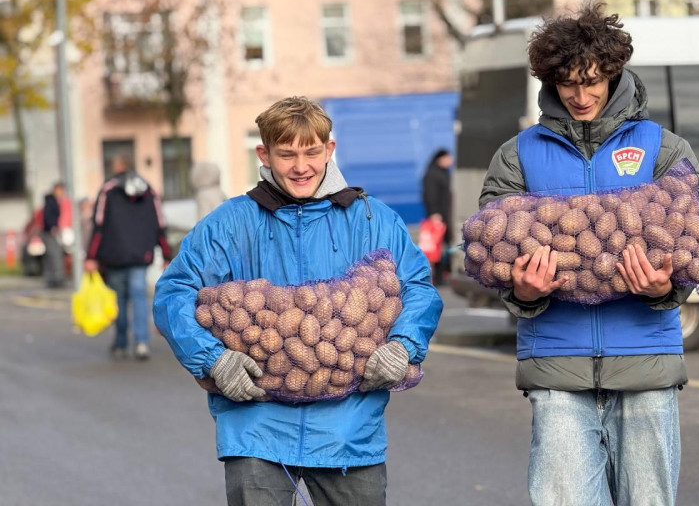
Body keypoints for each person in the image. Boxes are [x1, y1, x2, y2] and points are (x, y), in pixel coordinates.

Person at [154, 96, 442, 506]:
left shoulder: (372, 219)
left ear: (330, 150)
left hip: (349, 432)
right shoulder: (230, 223)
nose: (301, 166)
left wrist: (404, 345)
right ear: (264, 154)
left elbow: (417, 288)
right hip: (256, 428)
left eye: (311, 152)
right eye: (286, 154)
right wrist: (213, 359)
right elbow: (173, 291)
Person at [480, 3, 699, 506]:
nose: (581, 96)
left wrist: (665, 287)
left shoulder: (664, 150)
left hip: (646, 364)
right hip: (557, 367)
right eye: (568, 84)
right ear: (550, 82)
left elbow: (693, 244)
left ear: (614, 73)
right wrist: (522, 290)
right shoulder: (517, 155)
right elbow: (495, 253)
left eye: (592, 80)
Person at [85, 150, 171, 360]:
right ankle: (141, 342)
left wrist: (91, 255)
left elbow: (98, 224)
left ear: (117, 166)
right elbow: (159, 223)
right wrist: (167, 254)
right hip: (140, 254)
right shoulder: (148, 189)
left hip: (114, 255)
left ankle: (122, 342)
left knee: (119, 299)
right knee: (139, 296)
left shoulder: (108, 189)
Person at [421, 148, 453, 285]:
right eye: (447, 158)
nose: (450, 161)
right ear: (440, 158)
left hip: (444, 214)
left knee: (443, 245)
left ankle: (443, 274)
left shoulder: (442, 172)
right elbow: (430, 195)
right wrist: (434, 213)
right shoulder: (432, 174)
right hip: (438, 215)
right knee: (436, 247)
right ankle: (437, 277)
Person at [42, 182, 66, 288]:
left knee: (52, 256)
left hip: (51, 231)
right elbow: (48, 216)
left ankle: (53, 278)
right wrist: (52, 226)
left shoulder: (51, 201)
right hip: (50, 232)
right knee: (55, 255)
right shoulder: (51, 201)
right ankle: (56, 279)